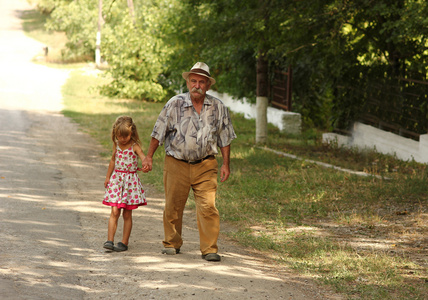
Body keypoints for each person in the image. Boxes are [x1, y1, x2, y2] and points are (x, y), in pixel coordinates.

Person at [141, 62, 236, 262]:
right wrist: (149, 156)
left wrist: (226, 164)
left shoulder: (218, 107)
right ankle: (171, 243)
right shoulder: (174, 103)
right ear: (187, 82)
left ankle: (210, 248)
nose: (197, 85)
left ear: (208, 85)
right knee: (173, 205)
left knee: (208, 207)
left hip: (206, 164)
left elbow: (225, 138)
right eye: (193, 81)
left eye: (202, 82)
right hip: (176, 163)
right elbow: (158, 132)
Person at [103, 116, 147, 252]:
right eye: (119, 136)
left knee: (127, 214)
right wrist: (108, 177)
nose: (122, 139)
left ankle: (124, 242)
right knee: (114, 211)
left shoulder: (135, 146)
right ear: (115, 134)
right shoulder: (116, 144)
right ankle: (109, 240)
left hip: (130, 184)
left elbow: (143, 157)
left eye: (125, 136)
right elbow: (112, 160)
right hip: (117, 182)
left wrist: (146, 163)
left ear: (132, 133)